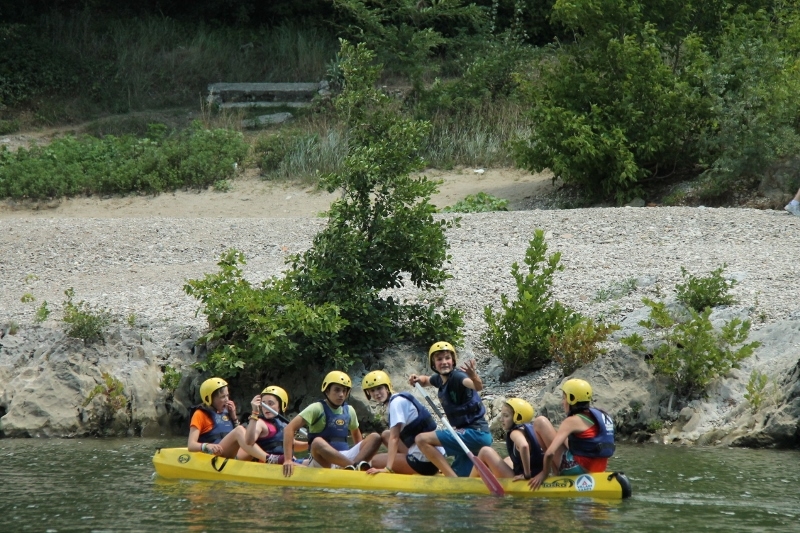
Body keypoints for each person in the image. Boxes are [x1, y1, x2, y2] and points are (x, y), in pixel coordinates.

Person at [409, 341, 493, 477]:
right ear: (433, 364)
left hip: (475, 434)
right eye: (439, 359)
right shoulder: (439, 379)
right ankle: (458, 477)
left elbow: (477, 386)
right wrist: (416, 379)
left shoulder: (458, 377)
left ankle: (450, 478)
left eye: (447, 358)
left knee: (421, 439)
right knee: (463, 476)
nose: (444, 362)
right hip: (471, 437)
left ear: (453, 361)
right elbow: (425, 380)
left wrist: (474, 376)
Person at [281, 371, 382, 477]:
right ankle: (354, 467)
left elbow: (357, 438)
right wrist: (288, 459)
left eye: (344, 390)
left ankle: (355, 466)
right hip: (323, 461)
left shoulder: (349, 410)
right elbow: (289, 429)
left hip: (345, 458)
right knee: (317, 442)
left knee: (375, 437)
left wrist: (362, 456)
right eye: (337, 390)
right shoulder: (316, 408)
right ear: (327, 390)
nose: (341, 394)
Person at [528, 379, 616, 491]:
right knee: (563, 438)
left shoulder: (572, 421)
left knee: (540, 422)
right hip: (599, 469)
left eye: (564, 398)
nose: (562, 402)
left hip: (579, 471)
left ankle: (554, 475)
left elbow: (550, 453)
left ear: (572, 399)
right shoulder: (601, 416)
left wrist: (544, 473)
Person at [361, 370, 444, 476]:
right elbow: (391, 436)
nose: (376, 393)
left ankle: (409, 466)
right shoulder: (399, 398)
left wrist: (388, 468)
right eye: (372, 390)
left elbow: (394, 438)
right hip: (434, 456)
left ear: (387, 387)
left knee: (375, 461)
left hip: (425, 463)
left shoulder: (395, 404)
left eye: (379, 388)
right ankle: (410, 461)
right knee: (386, 434)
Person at [187, 377, 266, 460]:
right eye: (222, 397)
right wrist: (207, 446)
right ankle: (267, 458)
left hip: (231, 454)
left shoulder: (227, 412)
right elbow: (191, 445)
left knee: (254, 436)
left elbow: (239, 438)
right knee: (239, 430)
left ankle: (269, 460)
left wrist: (234, 417)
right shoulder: (200, 414)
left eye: (227, 395)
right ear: (208, 399)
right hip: (215, 453)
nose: (227, 400)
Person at [471, 398, 544, 482]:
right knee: (507, 459)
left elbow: (524, 446)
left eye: (506, 416)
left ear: (518, 418)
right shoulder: (529, 429)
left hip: (525, 476)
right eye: (502, 415)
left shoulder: (515, 433)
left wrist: (527, 475)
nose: (501, 419)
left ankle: (468, 483)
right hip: (536, 472)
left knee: (485, 451)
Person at [244, 385, 308, 464]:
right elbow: (249, 442)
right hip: (268, 464)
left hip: (285, 461)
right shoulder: (260, 423)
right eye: (263, 404)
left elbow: (292, 444)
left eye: (270, 403)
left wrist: (310, 444)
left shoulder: (284, 424)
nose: (266, 407)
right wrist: (255, 413)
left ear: (280, 406)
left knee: (314, 462)